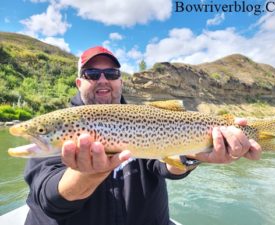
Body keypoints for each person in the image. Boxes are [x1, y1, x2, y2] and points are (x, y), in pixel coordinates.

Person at [24, 46, 262, 225]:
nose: (103, 79)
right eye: (93, 74)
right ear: (79, 82)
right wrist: (87, 174)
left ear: (120, 81)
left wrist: (193, 155)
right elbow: (48, 198)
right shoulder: (63, 122)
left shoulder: (142, 117)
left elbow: (163, 166)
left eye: (112, 73)